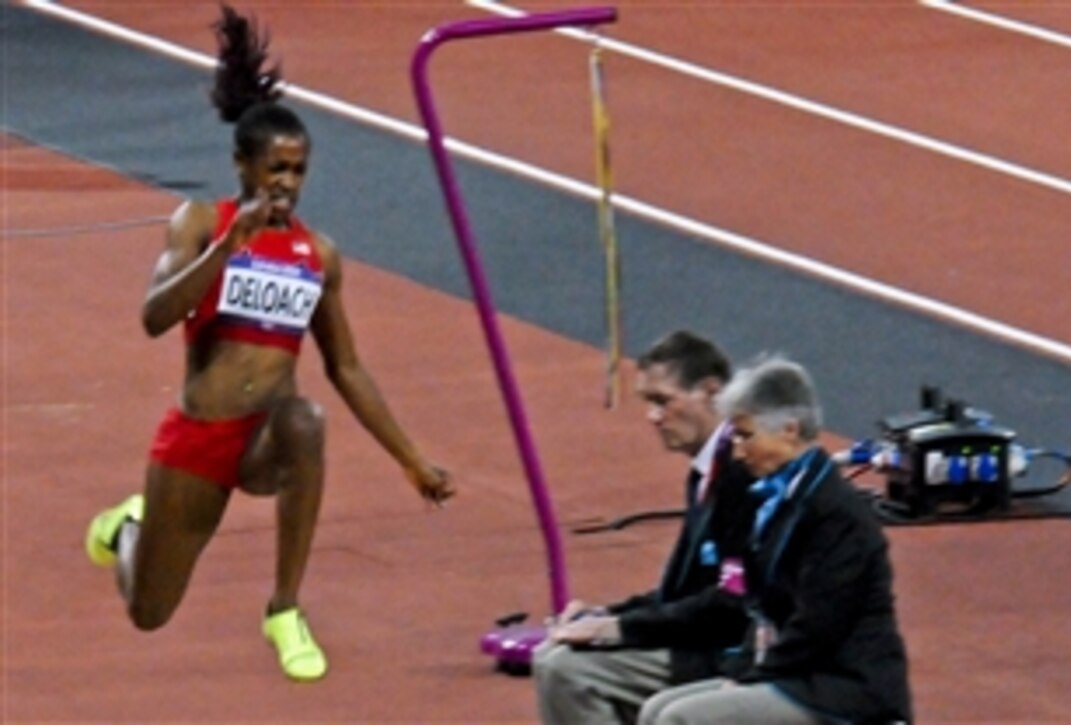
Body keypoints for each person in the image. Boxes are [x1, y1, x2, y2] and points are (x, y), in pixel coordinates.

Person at [83, 4, 454, 683]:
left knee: (305, 419)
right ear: (243, 165)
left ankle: (284, 606)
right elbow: (154, 316)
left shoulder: (318, 254)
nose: (285, 183)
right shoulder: (201, 222)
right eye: (275, 169)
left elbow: (345, 366)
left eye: (298, 170)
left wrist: (411, 459)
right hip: (199, 436)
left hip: (264, 438)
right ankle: (129, 526)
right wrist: (230, 246)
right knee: (149, 610)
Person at [638, 355, 912, 724]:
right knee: (656, 710)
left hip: (844, 688)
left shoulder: (838, 514)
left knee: (682, 718)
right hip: (799, 673)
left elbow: (819, 625)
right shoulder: (776, 500)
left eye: (746, 436)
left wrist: (752, 679)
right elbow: (758, 605)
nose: (737, 450)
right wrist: (740, 670)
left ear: (789, 430)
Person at [533, 330, 757, 724]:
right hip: (707, 636)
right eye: (648, 403)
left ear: (710, 391)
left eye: (663, 401)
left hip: (736, 650)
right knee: (551, 654)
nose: (652, 417)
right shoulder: (706, 471)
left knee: (566, 671)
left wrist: (619, 627)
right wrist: (605, 614)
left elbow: (732, 603)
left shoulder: (741, 473)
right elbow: (681, 590)